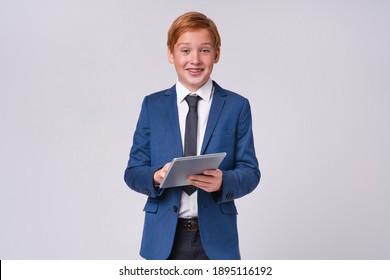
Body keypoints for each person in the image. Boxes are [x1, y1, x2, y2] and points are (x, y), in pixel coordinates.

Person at [124, 11, 260, 260]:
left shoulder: (236, 106)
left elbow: (250, 172)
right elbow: (133, 172)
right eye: (185, 50)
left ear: (217, 54)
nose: (195, 60)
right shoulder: (152, 106)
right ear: (170, 54)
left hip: (217, 241)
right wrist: (156, 176)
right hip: (163, 239)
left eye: (204, 50)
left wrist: (223, 183)